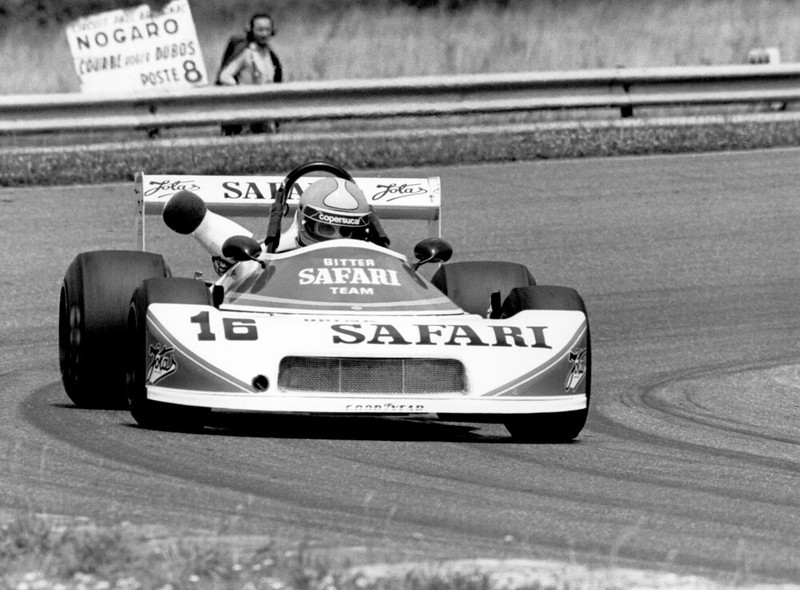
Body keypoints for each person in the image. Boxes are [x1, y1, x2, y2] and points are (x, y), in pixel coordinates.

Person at [161, 177, 390, 274]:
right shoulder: (263, 260)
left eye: (347, 232)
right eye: (327, 228)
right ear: (304, 223)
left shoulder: (382, 268)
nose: (336, 239)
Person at [216, 12, 283, 134]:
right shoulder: (246, 53)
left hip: (265, 107)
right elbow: (225, 76)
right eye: (260, 30)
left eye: (267, 30)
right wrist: (239, 91)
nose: (264, 34)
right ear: (251, 30)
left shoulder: (270, 54)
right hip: (247, 109)